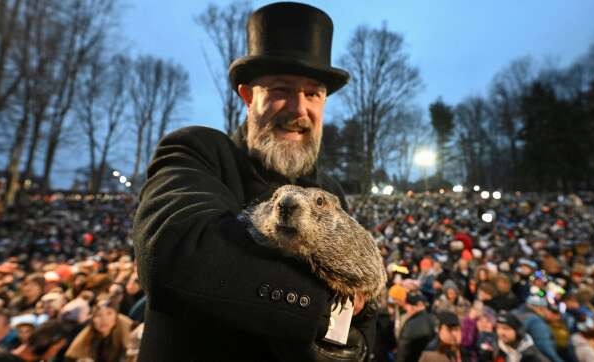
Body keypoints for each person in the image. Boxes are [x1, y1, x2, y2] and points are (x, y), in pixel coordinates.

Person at [132, 2, 375, 361]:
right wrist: (327, 318)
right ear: (248, 96)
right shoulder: (198, 151)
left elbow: (363, 296)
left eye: (312, 93)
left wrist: (359, 348)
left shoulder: (331, 193)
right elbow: (174, 252)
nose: (298, 109)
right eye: (280, 90)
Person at [64, 295, 133, 362]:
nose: (104, 320)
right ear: (92, 319)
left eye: (109, 313)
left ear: (116, 316)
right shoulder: (85, 338)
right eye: (98, 315)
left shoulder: (125, 333)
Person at [395, 292, 436, 362]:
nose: (406, 310)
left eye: (407, 307)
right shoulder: (432, 318)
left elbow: (403, 348)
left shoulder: (411, 324)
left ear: (411, 306)